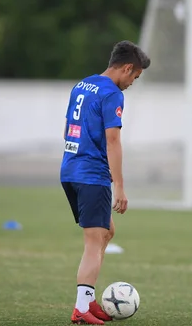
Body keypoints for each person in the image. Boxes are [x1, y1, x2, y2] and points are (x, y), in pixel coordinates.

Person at [60, 40, 151, 325]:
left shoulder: (82, 85)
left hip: (70, 170)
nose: (132, 83)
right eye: (134, 77)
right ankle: (81, 307)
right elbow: (113, 140)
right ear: (126, 68)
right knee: (94, 241)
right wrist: (120, 187)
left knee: (107, 231)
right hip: (92, 175)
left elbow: (70, 126)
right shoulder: (112, 94)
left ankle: (88, 302)